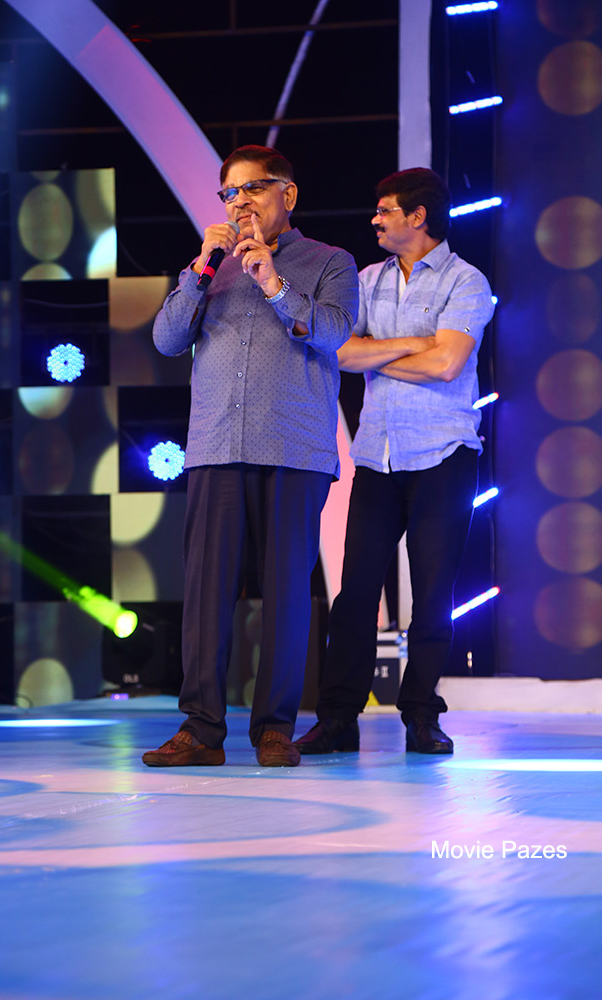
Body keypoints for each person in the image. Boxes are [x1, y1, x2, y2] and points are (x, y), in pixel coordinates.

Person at [143, 145, 358, 768]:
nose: (239, 202)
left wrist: (274, 284)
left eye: (253, 188)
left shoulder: (330, 261)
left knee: (286, 593)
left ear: (287, 195)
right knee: (206, 592)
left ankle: (274, 729)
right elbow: (166, 339)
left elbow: (334, 332)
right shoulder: (209, 268)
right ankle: (201, 729)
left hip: (293, 446)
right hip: (216, 445)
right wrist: (199, 270)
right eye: (230, 193)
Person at [295, 167, 495, 756]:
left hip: (444, 454)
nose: (375, 220)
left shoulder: (466, 280)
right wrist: (415, 343)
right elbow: (339, 351)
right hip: (377, 457)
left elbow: (447, 365)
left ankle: (421, 715)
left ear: (418, 217)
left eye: (385, 211)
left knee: (432, 596)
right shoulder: (366, 279)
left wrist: (377, 354)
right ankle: (338, 718)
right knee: (355, 592)